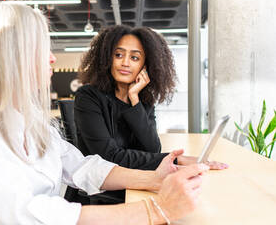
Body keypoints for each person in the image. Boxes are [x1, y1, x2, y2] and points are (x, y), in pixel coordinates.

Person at [0, 0, 210, 224]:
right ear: (9, 55)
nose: (52, 58)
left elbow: (81, 166)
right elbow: (24, 215)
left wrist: (153, 178)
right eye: (42, 48)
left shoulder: (27, 120)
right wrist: (155, 209)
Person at [75, 25, 228, 171]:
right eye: (118, 55)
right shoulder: (88, 96)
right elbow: (109, 157)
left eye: (135, 58)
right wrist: (175, 160)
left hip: (134, 180)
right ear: (107, 59)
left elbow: (153, 148)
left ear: (146, 66)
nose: (125, 63)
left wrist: (134, 99)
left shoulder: (143, 101)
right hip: (101, 191)